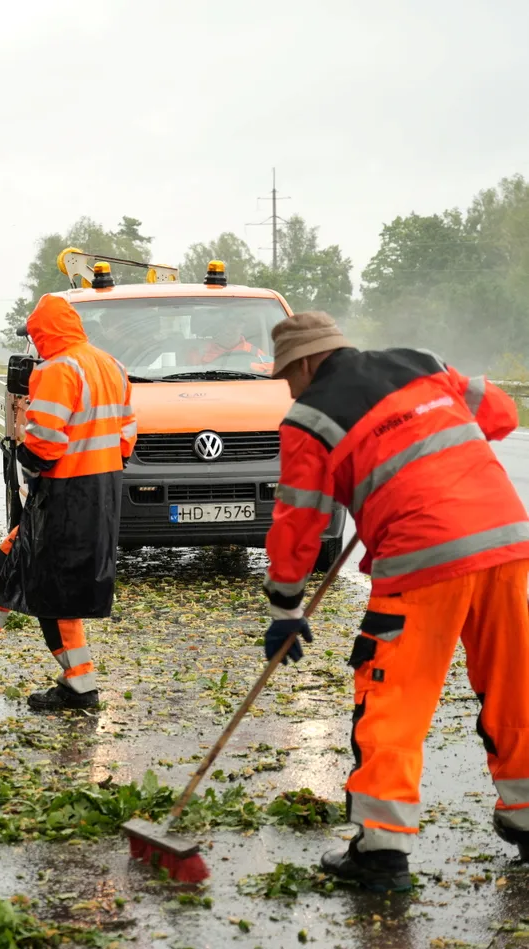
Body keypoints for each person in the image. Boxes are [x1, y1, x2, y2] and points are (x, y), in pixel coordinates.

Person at [262, 311, 529, 890]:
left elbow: (299, 520)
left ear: (306, 363)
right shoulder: (420, 360)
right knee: (515, 685)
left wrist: (285, 605)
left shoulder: (308, 418)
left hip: (421, 559)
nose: (288, 386)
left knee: (393, 696)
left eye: (287, 375)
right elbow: (502, 415)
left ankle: (380, 851)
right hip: (505, 540)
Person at [0, 294, 135, 711]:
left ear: (43, 332)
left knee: (48, 588)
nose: (31, 344)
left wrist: (25, 457)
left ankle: (78, 686)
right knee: (17, 560)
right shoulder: (112, 365)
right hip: (101, 490)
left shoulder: (58, 369)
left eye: (32, 336)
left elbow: (46, 442)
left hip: (66, 492)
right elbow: (127, 429)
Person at [190, 311, 272, 373]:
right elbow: (189, 377)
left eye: (235, 327)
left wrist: (249, 366)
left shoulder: (255, 352)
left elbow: (271, 368)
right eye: (226, 326)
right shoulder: (199, 352)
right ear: (217, 328)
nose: (230, 330)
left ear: (242, 328)